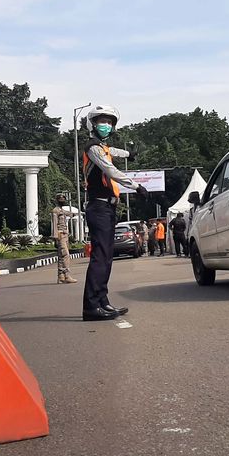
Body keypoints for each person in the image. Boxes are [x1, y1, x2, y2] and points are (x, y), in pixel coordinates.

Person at [81, 104, 148, 321]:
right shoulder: (93, 148)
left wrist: (130, 153)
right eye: (102, 121)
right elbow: (111, 169)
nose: (106, 125)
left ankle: (102, 301)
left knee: (107, 258)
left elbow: (114, 153)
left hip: (107, 207)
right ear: (92, 124)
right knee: (100, 258)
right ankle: (91, 307)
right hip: (98, 207)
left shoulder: (103, 147)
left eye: (110, 122)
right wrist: (136, 186)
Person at [51, 193, 78, 283]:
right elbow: (54, 225)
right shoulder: (55, 211)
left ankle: (61, 276)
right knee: (65, 255)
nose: (63, 200)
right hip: (60, 235)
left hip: (65, 235)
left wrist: (73, 214)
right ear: (57, 200)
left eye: (64, 199)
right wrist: (55, 238)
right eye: (61, 199)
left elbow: (68, 214)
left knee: (61, 256)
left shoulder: (61, 210)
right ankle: (66, 275)